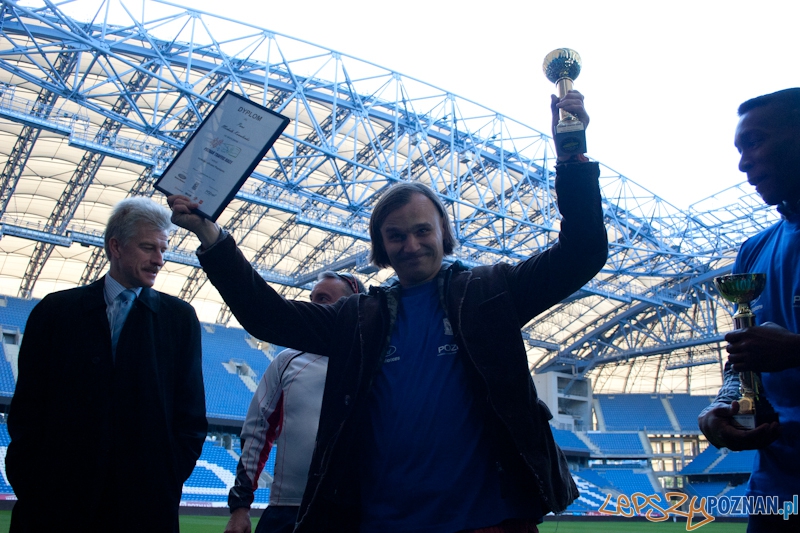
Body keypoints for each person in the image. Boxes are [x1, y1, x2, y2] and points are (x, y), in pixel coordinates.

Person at [170, 91, 607, 533]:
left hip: (490, 519)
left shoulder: (490, 292)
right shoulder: (359, 318)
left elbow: (582, 252)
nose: (412, 245)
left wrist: (572, 154)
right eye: (396, 236)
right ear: (382, 247)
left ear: (443, 232)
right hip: (383, 521)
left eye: (422, 231)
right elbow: (268, 316)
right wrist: (211, 236)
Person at [6, 197, 207, 533]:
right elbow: (28, 408)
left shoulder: (180, 319)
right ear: (116, 246)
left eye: (163, 249)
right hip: (56, 506)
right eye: (148, 248)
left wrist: (165, 478)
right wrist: (34, 482)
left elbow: (190, 416)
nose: (159, 260)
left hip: (144, 508)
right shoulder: (55, 312)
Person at [698, 88, 800, 532]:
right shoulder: (754, 252)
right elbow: (743, 363)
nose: (743, 164)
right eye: (739, 149)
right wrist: (721, 409)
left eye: (755, 142)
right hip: (777, 485)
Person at [225, 271, 365, 533]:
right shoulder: (287, 361)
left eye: (322, 299)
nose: (312, 307)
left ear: (353, 304)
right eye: (310, 299)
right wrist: (240, 507)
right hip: (288, 510)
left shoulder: (377, 361)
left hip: (356, 510)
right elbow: (256, 433)